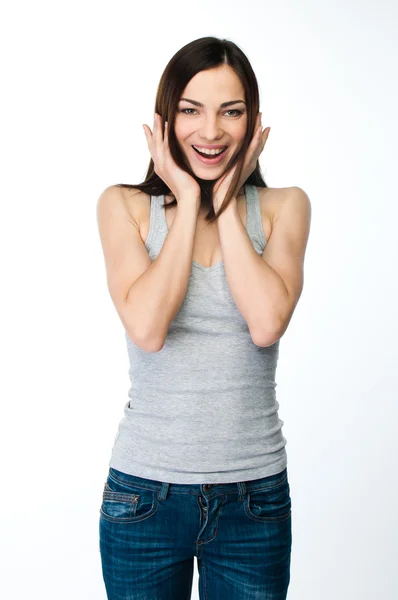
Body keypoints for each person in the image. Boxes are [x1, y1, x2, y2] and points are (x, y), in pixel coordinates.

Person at [96, 36, 311, 600]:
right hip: (144, 498)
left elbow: (266, 323)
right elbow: (147, 329)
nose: (211, 131)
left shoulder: (285, 206)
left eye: (230, 112)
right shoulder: (124, 206)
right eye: (191, 110)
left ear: (253, 121)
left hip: (254, 499)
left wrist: (230, 200)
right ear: (166, 121)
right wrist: (189, 201)